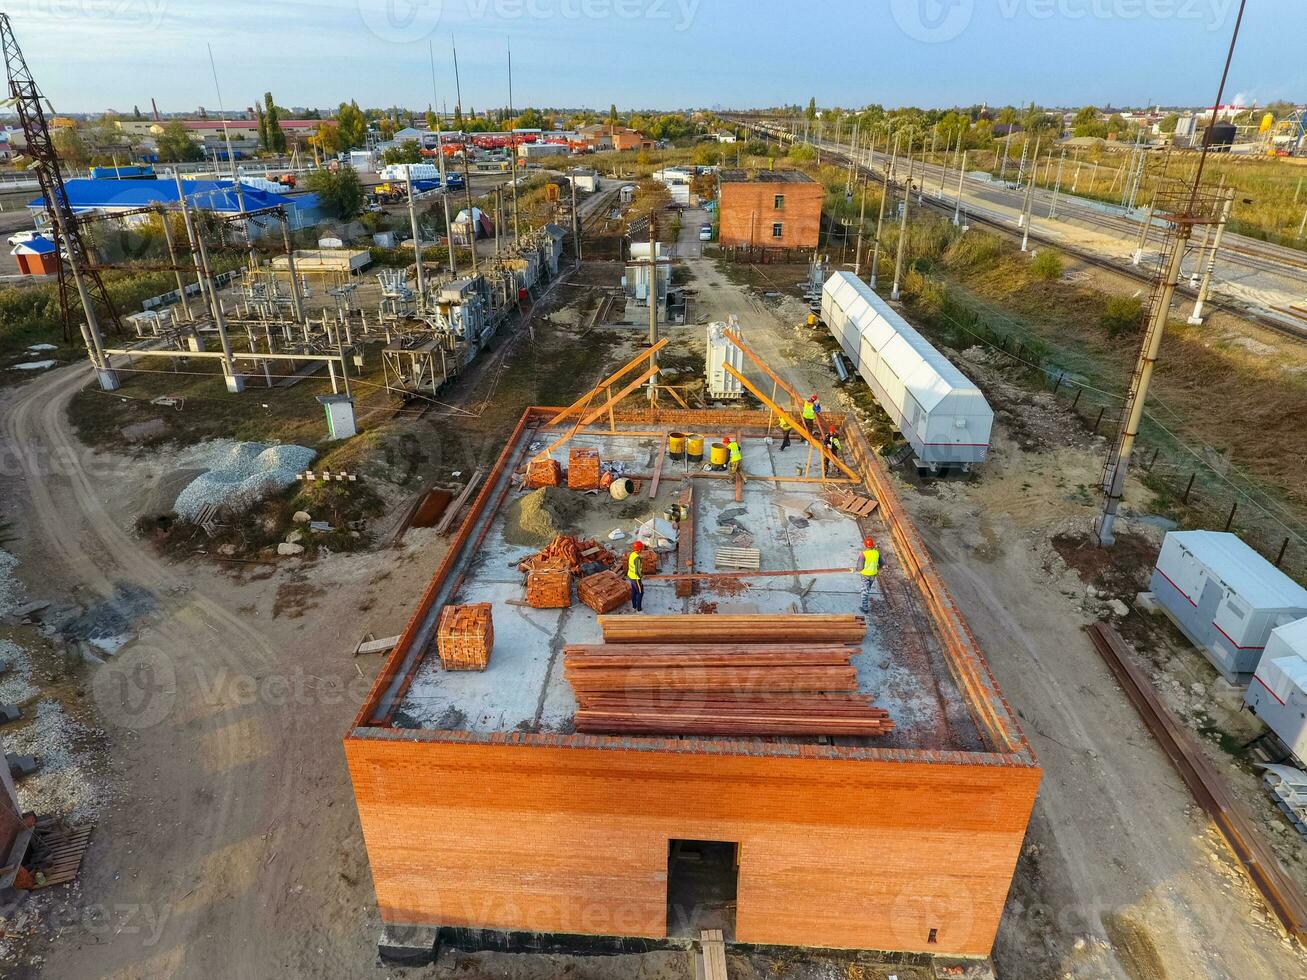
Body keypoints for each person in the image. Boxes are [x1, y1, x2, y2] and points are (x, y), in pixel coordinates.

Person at [851, 537, 880, 613]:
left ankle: (865, 608)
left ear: (865, 546)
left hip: (865, 574)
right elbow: (881, 563)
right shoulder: (876, 553)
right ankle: (867, 593)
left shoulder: (863, 554)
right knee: (868, 587)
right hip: (873, 574)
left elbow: (860, 567)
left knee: (864, 591)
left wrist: (855, 569)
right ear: (873, 545)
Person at [627, 540, 645, 612]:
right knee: (640, 592)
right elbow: (637, 571)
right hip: (636, 578)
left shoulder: (632, 554)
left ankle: (634, 606)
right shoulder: (637, 558)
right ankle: (639, 609)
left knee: (634, 591)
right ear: (640, 549)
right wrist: (641, 576)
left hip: (630, 576)